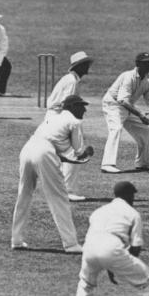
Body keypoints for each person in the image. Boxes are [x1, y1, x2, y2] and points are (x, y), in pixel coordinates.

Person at [11, 94, 94, 253]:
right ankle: (71, 244)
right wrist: (88, 153)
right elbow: (78, 153)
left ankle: (16, 239)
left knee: (24, 194)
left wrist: (78, 157)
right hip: (44, 152)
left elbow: (58, 151)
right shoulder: (75, 121)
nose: (84, 109)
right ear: (71, 107)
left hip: (27, 149)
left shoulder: (51, 118)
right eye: (80, 105)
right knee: (59, 197)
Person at [100, 52, 149, 174]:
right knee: (116, 128)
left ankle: (143, 163)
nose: (148, 66)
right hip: (113, 104)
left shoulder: (147, 82)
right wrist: (140, 115)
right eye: (145, 63)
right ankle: (107, 164)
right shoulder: (128, 77)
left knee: (144, 130)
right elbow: (122, 100)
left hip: (128, 106)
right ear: (137, 64)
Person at [45, 51, 95, 201]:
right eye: (85, 64)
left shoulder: (70, 79)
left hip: (53, 118)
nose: (88, 67)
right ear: (78, 66)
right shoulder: (72, 81)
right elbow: (69, 105)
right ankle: (68, 191)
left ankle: (60, 190)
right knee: (73, 153)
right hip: (59, 117)